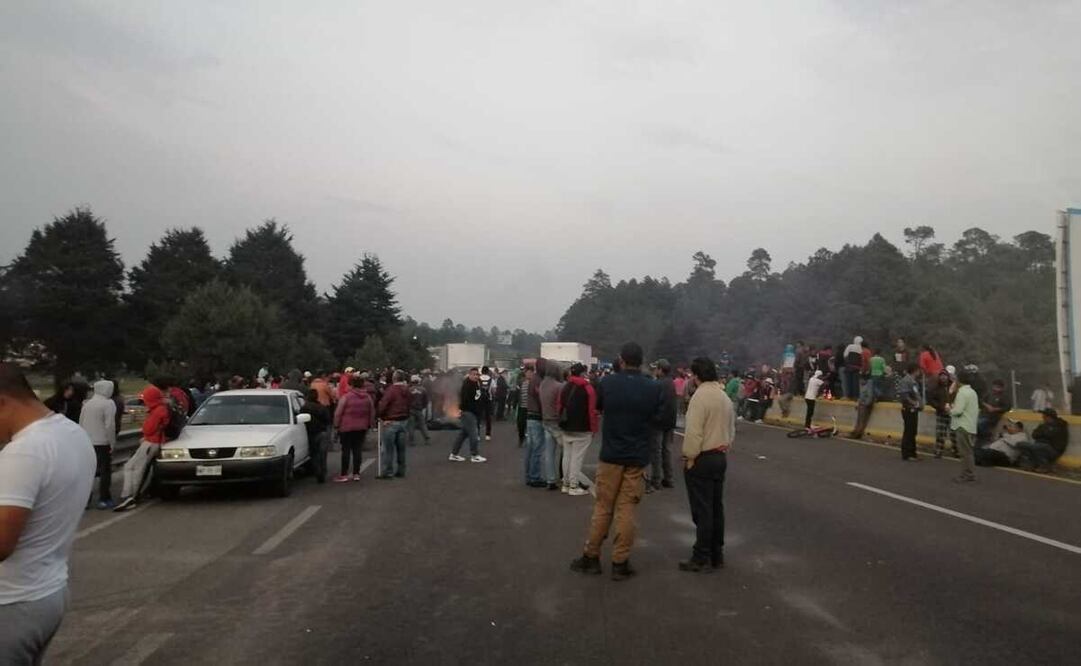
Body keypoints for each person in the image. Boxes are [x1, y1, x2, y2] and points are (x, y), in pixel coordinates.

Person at [0, 363, 96, 665]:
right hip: (46, 591)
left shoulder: (25, 452)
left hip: (12, 602)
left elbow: (2, 544)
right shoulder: (71, 433)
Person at [570, 342, 662, 582]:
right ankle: (620, 562)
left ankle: (591, 557)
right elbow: (659, 417)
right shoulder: (652, 387)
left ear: (621, 359)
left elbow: (599, 407)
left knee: (603, 507)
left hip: (611, 455)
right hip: (637, 457)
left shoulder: (608, 383)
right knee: (627, 509)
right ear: (641, 361)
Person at [678, 357, 735, 573]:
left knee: (702, 511)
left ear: (696, 376)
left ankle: (700, 555)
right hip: (720, 456)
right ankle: (716, 553)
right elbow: (731, 430)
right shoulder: (724, 397)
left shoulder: (699, 398)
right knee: (716, 507)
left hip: (702, 458)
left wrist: (689, 457)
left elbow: (694, 432)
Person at [114, 383, 170, 511]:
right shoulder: (162, 408)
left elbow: (148, 429)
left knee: (134, 467)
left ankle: (130, 495)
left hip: (151, 442)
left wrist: (145, 425)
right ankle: (132, 494)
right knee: (136, 467)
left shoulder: (157, 411)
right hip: (155, 442)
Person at [557, 363, 597, 496]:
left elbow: (559, 406)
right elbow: (591, 411)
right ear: (582, 373)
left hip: (566, 426)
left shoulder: (565, 387)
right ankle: (573, 486)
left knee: (567, 456)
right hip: (582, 428)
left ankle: (566, 484)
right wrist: (594, 428)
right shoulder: (587, 388)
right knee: (577, 458)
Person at [79, 380, 117, 509]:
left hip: (87, 442)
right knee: (105, 471)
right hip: (102, 442)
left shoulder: (87, 404)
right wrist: (112, 442)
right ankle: (104, 498)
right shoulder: (108, 404)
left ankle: (85, 500)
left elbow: (81, 422)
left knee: (88, 472)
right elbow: (110, 425)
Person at [333, 375, 374, 482]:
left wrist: (336, 425)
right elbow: (372, 412)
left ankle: (344, 474)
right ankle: (356, 473)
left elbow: (338, 413)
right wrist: (370, 424)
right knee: (357, 450)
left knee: (346, 450)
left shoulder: (346, 397)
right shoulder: (367, 397)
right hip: (361, 427)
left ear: (351, 384)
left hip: (346, 427)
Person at [647, 359, 678, 493]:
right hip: (670, 422)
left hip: (658, 422)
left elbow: (653, 403)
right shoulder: (671, 383)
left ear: (660, 370)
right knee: (667, 450)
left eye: (656, 368)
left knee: (656, 452)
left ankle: (656, 480)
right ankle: (669, 478)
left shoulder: (657, 384)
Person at [376, 371, 411, 479]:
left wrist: (380, 416)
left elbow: (383, 404)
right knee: (401, 449)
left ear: (394, 378)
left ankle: (388, 471)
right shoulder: (407, 390)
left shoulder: (391, 390)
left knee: (388, 449)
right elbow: (410, 404)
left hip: (391, 421)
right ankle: (401, 470)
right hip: (404, 421)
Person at [947, 371, 979, 483]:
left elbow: (958, 411)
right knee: (969, 452)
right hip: (970, 425)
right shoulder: (972, 392)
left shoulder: (962, 393)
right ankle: (970, 473)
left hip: (962, 425)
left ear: (959, 381)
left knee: (964, 452)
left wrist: (950, 410)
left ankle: (966, 474)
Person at [538, 360, 565, 489]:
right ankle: (565, 476)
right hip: (556, 422)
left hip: (545, 420)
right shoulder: (559, 386)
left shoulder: (542, 384)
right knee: (566, 450)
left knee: (549, 452)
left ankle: (550, 480)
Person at [450, 368, 487, 463]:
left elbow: (478, 398)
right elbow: (466, 400)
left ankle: (454, 454)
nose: (476, 376)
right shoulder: (467, 385)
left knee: (463, 434)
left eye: (477, 375)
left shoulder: (476, 384)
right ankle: (474, 455)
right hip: (468, 412)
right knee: (474, 434)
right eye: (474, 374)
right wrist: (472, 410)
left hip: (471, 412)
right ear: (469, 375)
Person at [299, 389, 330, 483]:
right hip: (322, 432)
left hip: (310, 433)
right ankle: (322, 472)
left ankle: (317, 471)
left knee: (314, 453)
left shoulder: (304, 407)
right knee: (322, 454)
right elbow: (328, 420)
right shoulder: (322, 407)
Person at [522, 366, 545, 484]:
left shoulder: (531, 381)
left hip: (529, 416)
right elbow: (540, 398)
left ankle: (528, 476)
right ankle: (534, 476)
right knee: (537, 449)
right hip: (536, 417)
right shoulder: (538, 381)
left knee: (530, 449)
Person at [926, 370, 956, 458]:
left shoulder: (953, 387)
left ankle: (956, 451)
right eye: (941, 376)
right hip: (941, 413)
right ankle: (938, 451)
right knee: (940, 434)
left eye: (945, 376)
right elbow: (931, 400)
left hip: (953, 414)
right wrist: (939, 407)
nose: (943, 377)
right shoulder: (936, 388)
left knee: (954, 435)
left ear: (948, 377)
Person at [897, 363, 923, 461]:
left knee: (913, 431)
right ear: (915, 370)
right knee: (909, 431)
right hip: (908, 409)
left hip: (914, 409)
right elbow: (904, 395)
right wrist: (914, 403)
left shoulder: (913, 381)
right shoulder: (906, 380)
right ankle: (907, 454)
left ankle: (913, 453)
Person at [849, 374, 876, 440]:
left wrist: (865, 404)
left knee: (862, 420)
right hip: (862, 402)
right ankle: (856, 431)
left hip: (866, 404)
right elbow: (861, 395)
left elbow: (870, 395)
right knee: (859, 419)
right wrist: (859, 403)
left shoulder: (869, 383)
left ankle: (858, 433)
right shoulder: (862, 384)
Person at [406, 376, 431, 446]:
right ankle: (427, 439)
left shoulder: (409, 390)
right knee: (422, 425)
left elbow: (406, 400)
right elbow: (426, 400)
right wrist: (423, 407)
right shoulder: (423, 390)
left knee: (411, 426)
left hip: (411, 410)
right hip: (419, 409)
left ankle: (411, 441)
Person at [478, 366, 495, 441]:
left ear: (481, 371)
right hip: (488, 400)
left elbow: (476, 390)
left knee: (478, 417)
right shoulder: (492, 380)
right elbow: (494, 391)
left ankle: (477, 435)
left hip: (479, 400)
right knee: (488, 417)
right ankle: (488, 435)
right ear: (488, 372)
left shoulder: (478, 380)